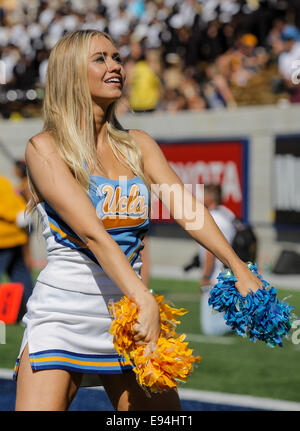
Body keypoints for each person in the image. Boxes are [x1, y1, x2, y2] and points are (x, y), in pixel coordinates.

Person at [14, 29, 263, 412]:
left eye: (116, 58)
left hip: (129, 314)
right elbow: (93, 234)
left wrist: (237, 267)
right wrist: (143, 296)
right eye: (100, 59)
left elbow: (189, 210)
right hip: (65, 313)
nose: (115, 66)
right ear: (70, 73)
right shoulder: (44, 148)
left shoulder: (139, 145)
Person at [199, 184, 236, 336]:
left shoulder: (212, 218)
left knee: (210, 328)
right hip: (227, 275)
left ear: (209, 198)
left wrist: (205, 276)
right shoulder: (227, 214)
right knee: (221, 317)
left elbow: (210, 251)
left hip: (215, 278)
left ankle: (246, 321)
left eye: (203, 195)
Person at [0, 175, 33, 321]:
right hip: (16, 236)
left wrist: (15, 216)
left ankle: (26, 309)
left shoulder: (5, 182)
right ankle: (29, 310)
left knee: (21, 275)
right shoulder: (5, 181)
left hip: (4, 239)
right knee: (21, 275)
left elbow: (6, 208)